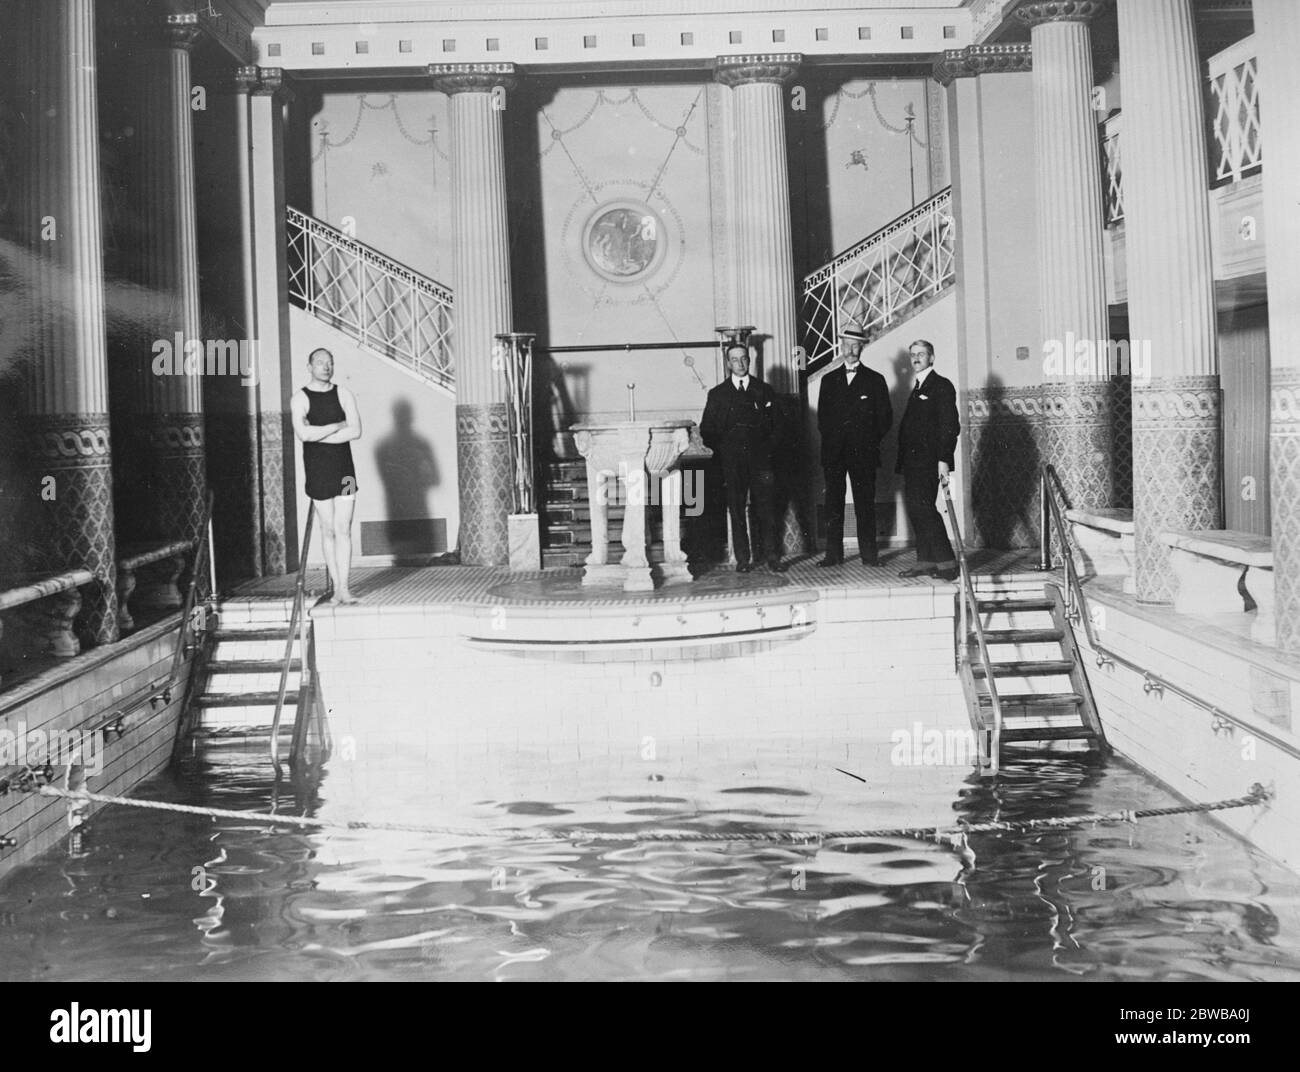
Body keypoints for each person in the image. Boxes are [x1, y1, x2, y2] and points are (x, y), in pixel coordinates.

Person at [699, 343, 787, 573]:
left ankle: (772, 557)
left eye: (744, 358)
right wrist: (724, 450)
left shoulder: (764, 390)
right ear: (728, 363)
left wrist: (767, 450)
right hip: (732, 463)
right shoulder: (717, 394)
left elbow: (779, 426)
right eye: (735, 359)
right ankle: (743, 560)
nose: (740, 363)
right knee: (736, 509)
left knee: (766, 508)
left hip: (761, 461)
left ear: (749, 360)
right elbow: (706, 429)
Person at [290, 348, 363, 604]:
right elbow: (303, 435)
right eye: (320, 362)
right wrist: (337, 426)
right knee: (328, 529)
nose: (326, 366)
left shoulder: (344, 394)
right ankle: (336, 587)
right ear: (309, 367)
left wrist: (318, 434)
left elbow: (356, 431)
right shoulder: (300, 398)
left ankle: (344, 588)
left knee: (344, 528)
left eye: (329, 362)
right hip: (317, 471)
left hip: (346, 473)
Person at [817, 319, 892, 567]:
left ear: (862, 347)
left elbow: (885, 419)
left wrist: (867, 441)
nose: (850, 350)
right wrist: (834, 442)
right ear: (841, 346)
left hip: (864, 454)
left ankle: (869, 556)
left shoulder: (875, 380)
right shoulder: (828, 380)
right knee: (833, 505)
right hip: (834, 454)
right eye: (847, 345)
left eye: (855, 345)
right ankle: (833, 555)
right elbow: (822, 419)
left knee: (864, 505)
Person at [896, 339, 960, 582]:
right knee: (916, 509)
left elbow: (950, 426)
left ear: (931, 358)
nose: (916, 358)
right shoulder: (918, 386)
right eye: (913, 354)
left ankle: (947, 563)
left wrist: (944, 459)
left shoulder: (941, 385)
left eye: (921, 354)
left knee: (924, 508)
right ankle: (926, 561)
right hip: (913, 463)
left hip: (930, 462)